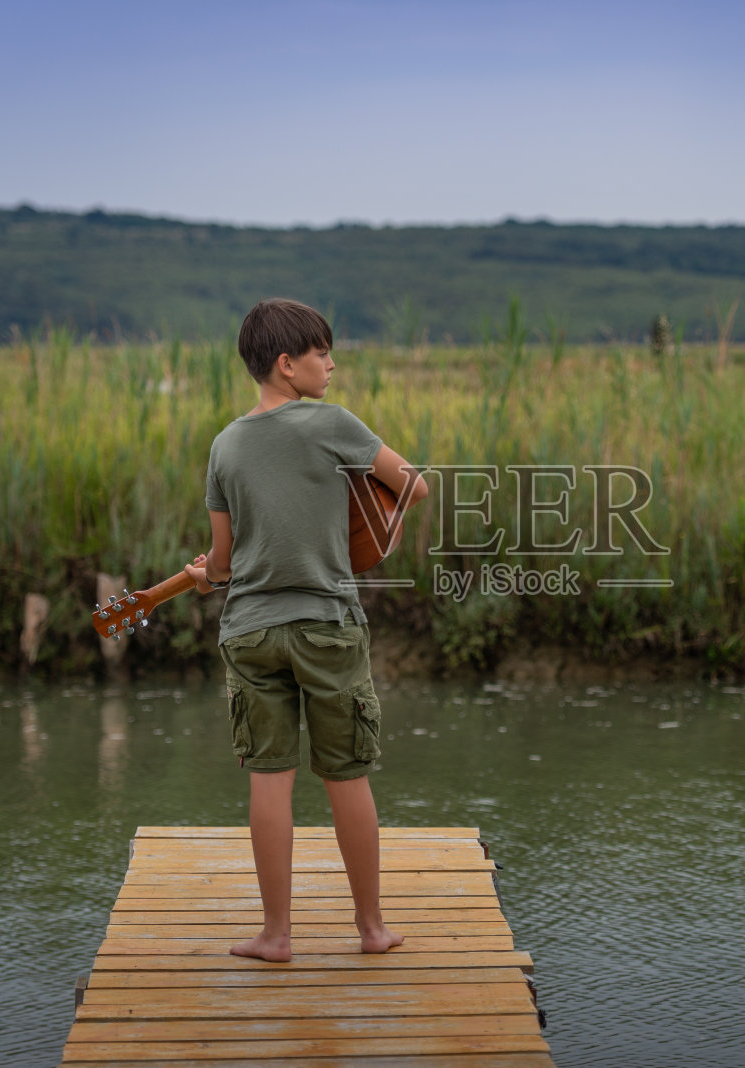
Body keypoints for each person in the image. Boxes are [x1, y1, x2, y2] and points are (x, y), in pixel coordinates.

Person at [182, 297, 429, 963]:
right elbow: (413, 485)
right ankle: (372, 928)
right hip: (326, 626)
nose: (332, 363)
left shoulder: (225, 444)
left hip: (251, 633)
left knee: (269, 780)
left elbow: (225, 563)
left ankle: (275, 934)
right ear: (288, 365)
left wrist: (205, 575)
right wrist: (377, 538)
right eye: (322, 353)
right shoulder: (330, 423)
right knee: (346, 775)